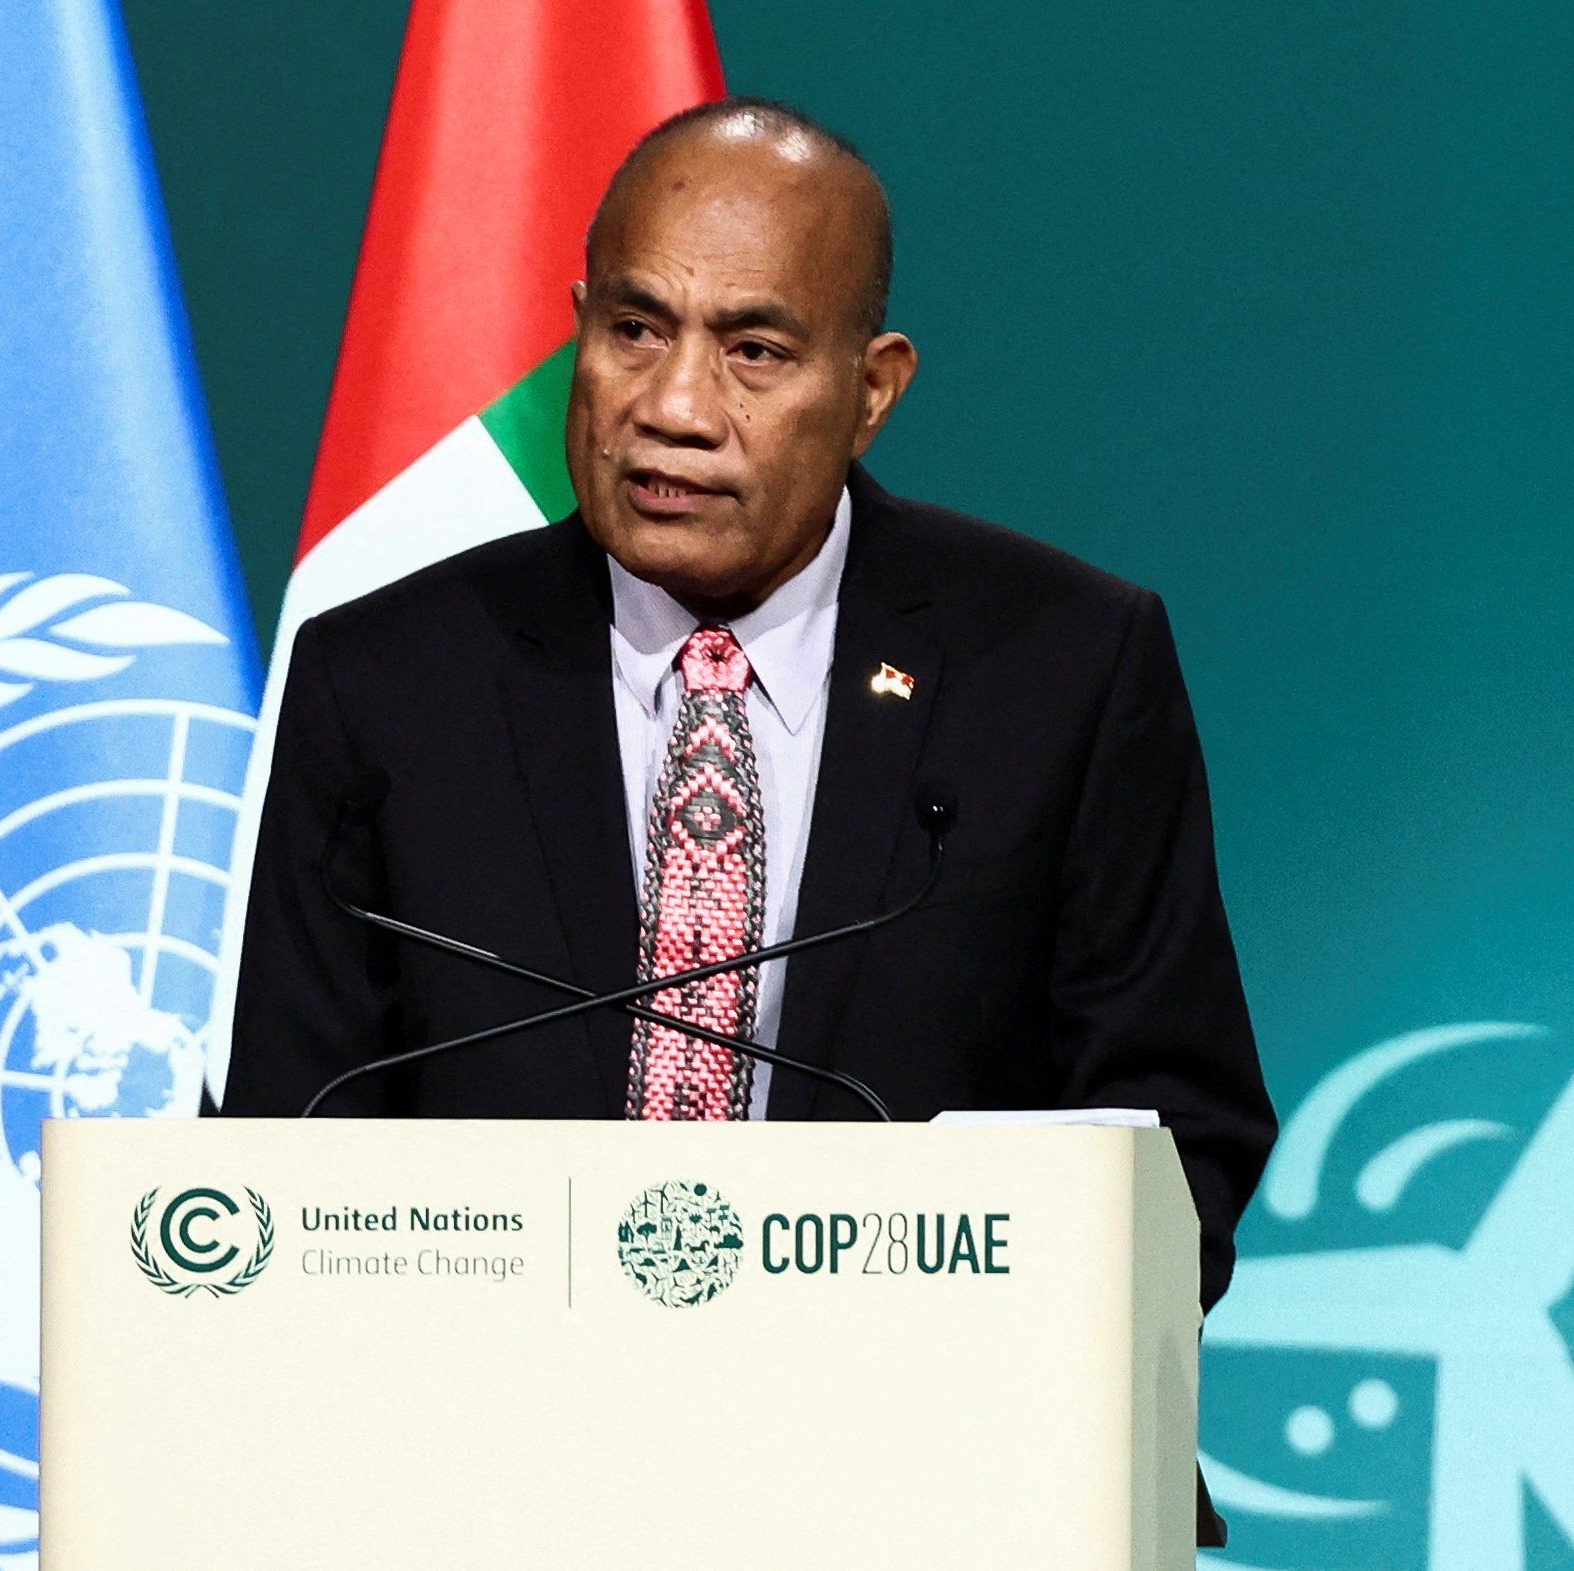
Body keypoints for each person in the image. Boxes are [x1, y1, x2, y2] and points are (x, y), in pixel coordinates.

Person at [221, 100, 1275, 1538]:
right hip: (479, 1500)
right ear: (577, 330)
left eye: (756, 351)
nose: (674, 408)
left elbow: (1178, 1130)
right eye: (635, 330)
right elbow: (292, 1140)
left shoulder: (1064, 668)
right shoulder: (386, 681)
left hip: (934, 1500)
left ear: (874, 385)